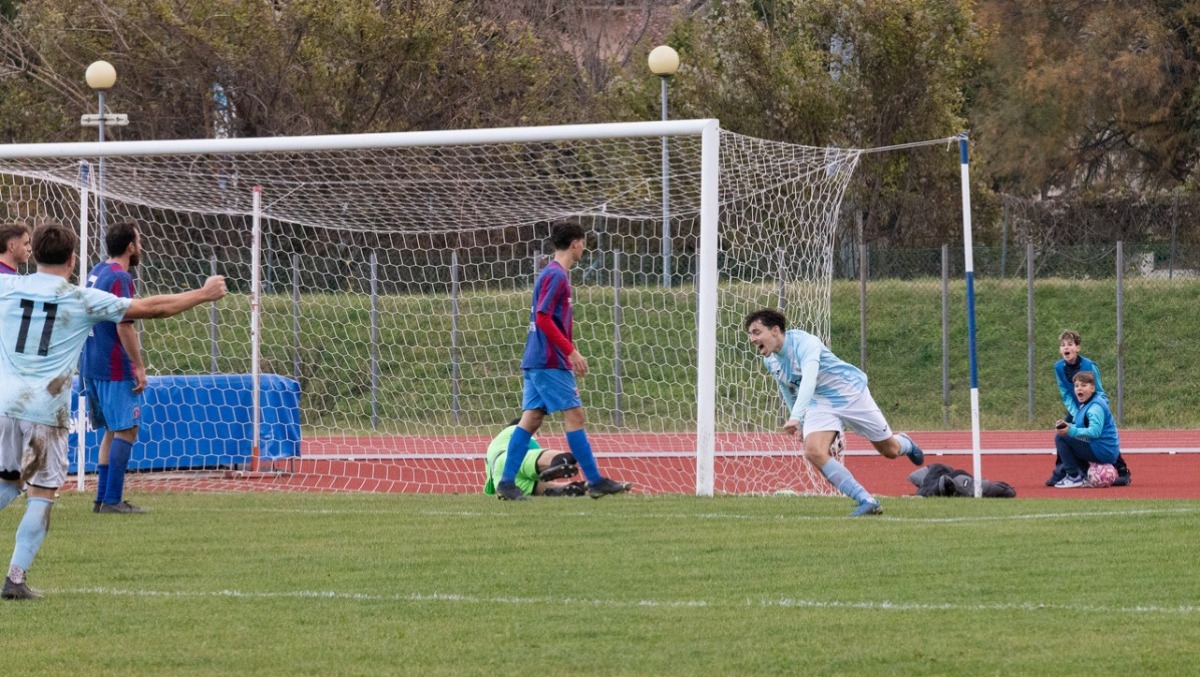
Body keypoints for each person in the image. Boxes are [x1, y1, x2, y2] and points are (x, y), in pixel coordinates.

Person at [0, 222, 227, 600]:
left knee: (8, 483)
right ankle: (16, 579)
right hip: (44, 410)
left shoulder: (7, 286)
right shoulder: (81, 298)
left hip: (4, 406)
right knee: (41, 494)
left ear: (34, 254)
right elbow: (151, 308)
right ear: (73, 260)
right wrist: (202, 294)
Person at [494, 222, 631, 501]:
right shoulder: (556, 276)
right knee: (575, 415)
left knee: (531, 419)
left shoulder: (549, 273)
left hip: (536, 359)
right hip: (548, 361)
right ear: (576, 244)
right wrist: (571, 351)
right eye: (584, 242)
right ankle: (595, 481)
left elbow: (548, 319)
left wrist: (569, 347)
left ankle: (507, 482)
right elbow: (543, 317)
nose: (584, 248)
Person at [744, 308, 924, 516]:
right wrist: (799, 423)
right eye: (750, 334)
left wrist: (796, 417)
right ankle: (866, 500)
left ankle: (907, 443)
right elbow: (787, 388)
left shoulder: (805, 343)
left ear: (775, 330)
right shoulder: (770, 360)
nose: (752, 339)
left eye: (756, 332)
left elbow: (809, 381)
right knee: (813, 451)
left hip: (850, 394)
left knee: (889, 450)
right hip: (820, 403)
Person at [82, 222, 148, 514]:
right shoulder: (121, 277)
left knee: (111, 429)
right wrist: (138, 365)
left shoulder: (97, 271)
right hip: (113, 365)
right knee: (127, 429)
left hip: (91, 361)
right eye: (139, 241)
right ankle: (112, 500)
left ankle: (102, 499)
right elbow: (124, 324)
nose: (141, 246)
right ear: (130, 247)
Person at [1046, 330, 1130, 486]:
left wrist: (1098, 408)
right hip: (1076, 407)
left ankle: (1122, 469)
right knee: (1063, 432)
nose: (1066, 348)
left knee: (1101, 436)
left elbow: (1099, 390)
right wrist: (1076, 412)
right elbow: (1065, 393)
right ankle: (1064, 472)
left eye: (1070, 344)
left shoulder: (1089, 365)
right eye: (1063, 345)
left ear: (1078, 348)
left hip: (1093, 405)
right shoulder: (1058, 367)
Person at [483, 419, 587, 498]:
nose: (538, 436)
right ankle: (557, 463)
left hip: (502, 480)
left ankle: (563, 488)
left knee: (554, 487)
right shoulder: (519, 430)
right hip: (512, 459)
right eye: (536, 432)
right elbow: (536, 453)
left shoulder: (493, 447)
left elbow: (489, 490)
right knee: (566, 457)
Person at [1053, 371, 1120, 488]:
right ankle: (1084, 475)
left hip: (1103, 451)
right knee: (1070, 438)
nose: (1079, 388)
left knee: (1061, 438)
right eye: (1077, 386)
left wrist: (1071, 431)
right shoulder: (1087, 403)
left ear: (1092, 388)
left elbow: (1095, 431)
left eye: (1084, 385)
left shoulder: (1095, 407)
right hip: (1103, 449)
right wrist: (1069, 426)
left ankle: (1073, 477)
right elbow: (1082, 428)